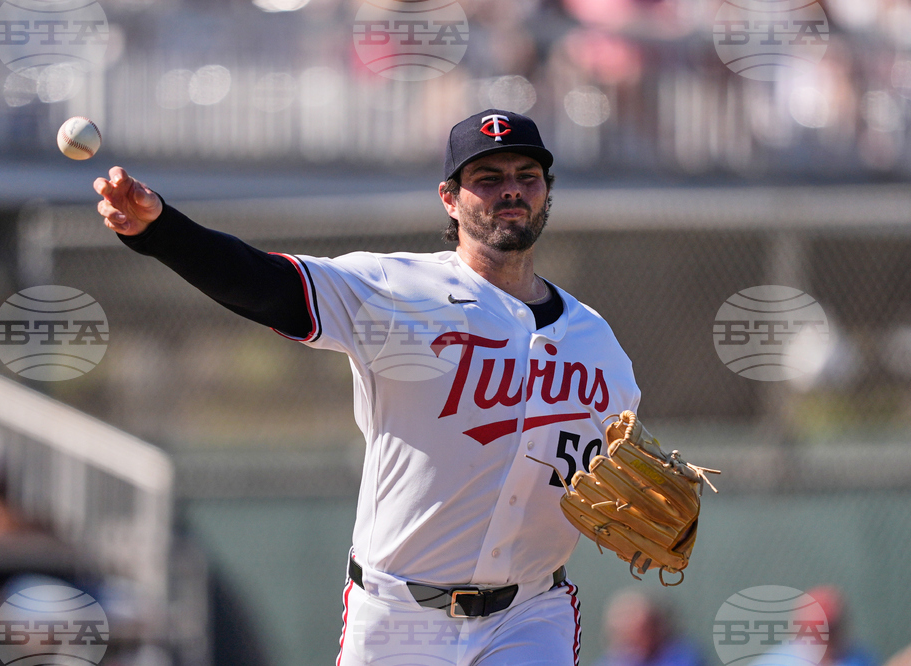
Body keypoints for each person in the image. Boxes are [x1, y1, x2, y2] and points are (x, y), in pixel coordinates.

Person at [93, 109, 641, 665]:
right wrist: (163, 232)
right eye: (488, 178)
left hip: (529, 617)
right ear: (449, 199)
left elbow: (621, 468)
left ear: (548, 191)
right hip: (398, 615)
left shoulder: (596, 342)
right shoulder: (395, 289)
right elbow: (267, 285)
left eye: (528, 175)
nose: (511, 191)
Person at [593, 589, 705, 666]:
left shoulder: (681, 656)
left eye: (637, 633)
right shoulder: (611, 661)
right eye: (621, 635)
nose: (629, 643)